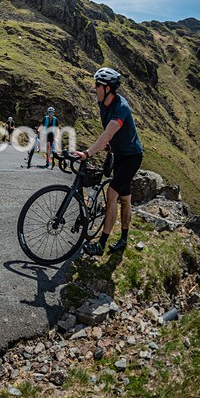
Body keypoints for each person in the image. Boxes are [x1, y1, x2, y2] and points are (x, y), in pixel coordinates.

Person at [78, 67, 143, 256]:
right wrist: (111, 145)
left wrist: (87, 153)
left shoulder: (121, 107)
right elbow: (111, 135)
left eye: (97, 85)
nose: (94, 88)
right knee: (125, 197)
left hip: (132, 157)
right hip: (119, 154)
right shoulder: (102, 104)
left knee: (112, 193)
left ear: (107, 88)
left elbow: (108, 133)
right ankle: (123, 238)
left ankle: (101, 245)